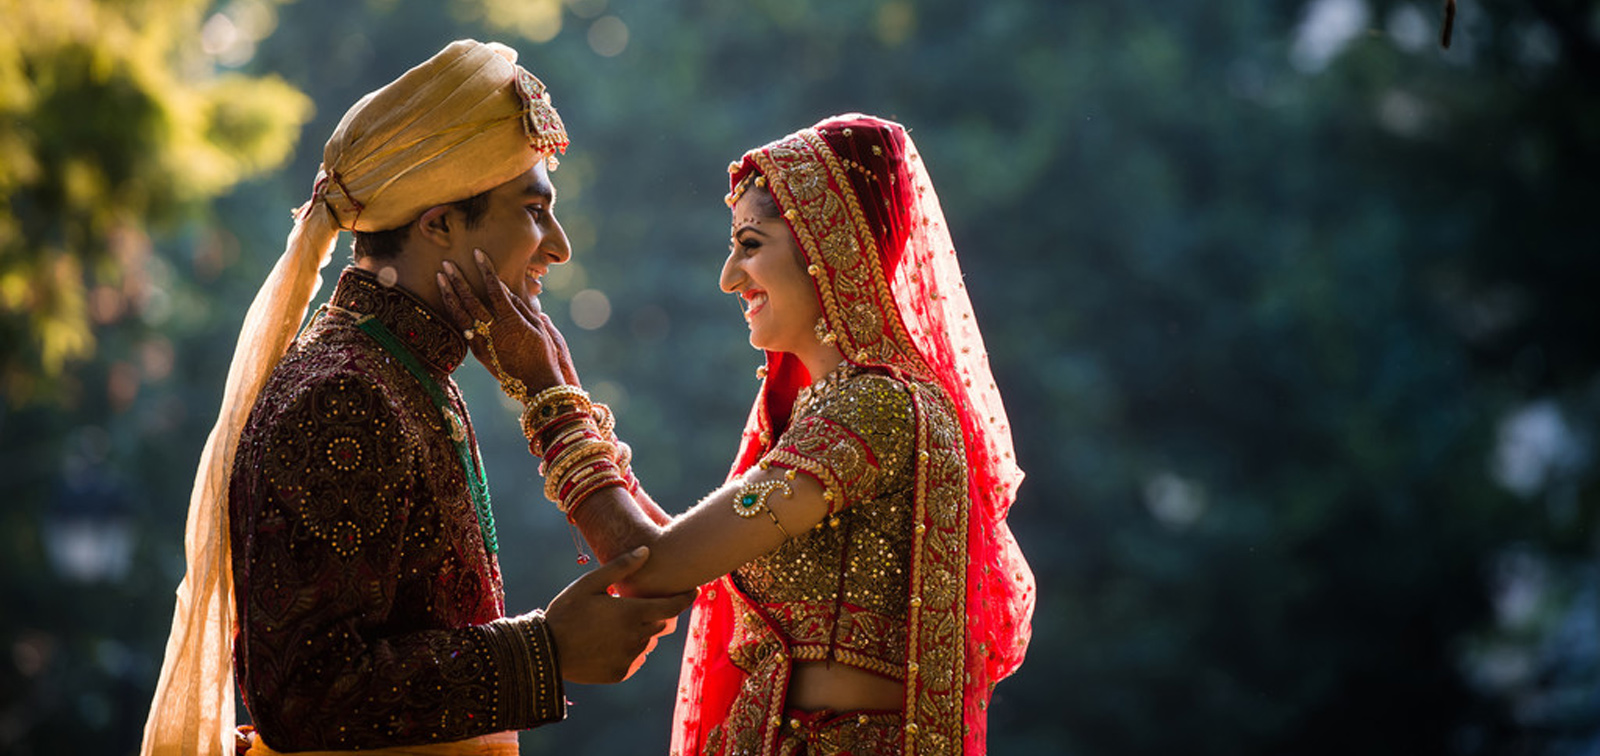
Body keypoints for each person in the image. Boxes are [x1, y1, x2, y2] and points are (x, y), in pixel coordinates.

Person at [140, 40, 694, 756]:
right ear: (439, 225)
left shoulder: (403, 374)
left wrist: (555, 392)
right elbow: (303, 695)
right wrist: (545, 650)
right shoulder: (344, 395)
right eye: (534, 210)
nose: (558, 246)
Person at [437, 114, 1035, 754]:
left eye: (750, 245)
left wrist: (549, 398)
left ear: (828, 246)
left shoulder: (876, 407)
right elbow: (676, 552)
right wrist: (561, 391)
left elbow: (653, 566)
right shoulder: (833, 409)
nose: (729, 277)